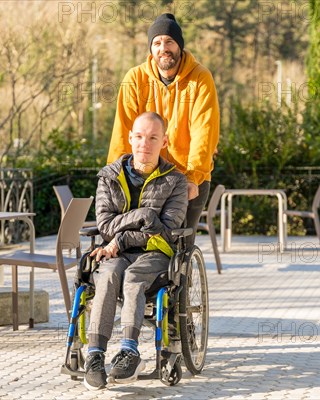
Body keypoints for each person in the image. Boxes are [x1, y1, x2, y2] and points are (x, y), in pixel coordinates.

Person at [84, 112, 188, 390]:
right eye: (139, 136)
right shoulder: (109, 176)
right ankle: (94, 354)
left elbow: (164, 230)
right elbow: (105, 226)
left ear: (164, 141)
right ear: (130, 138)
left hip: (155, 252)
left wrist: (121, 238)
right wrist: (143, 216)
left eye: (153, 137)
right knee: (106, 277)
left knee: (133, 280)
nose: (145, 143)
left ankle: (129, 351)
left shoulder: (176, 181)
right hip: (116, 253)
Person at [108, 13, 220, 244]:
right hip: (146, 177)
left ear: (179, 45)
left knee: (180, 246)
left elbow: (204, 131)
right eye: (157, 43)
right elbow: (123, 130)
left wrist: (193, 176)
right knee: (142, 243)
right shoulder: (135, 79)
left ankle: (184, 275)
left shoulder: (200, 78)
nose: (163, 48)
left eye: (169, 41)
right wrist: (115, 176)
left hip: (189, 176)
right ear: (151, 48)